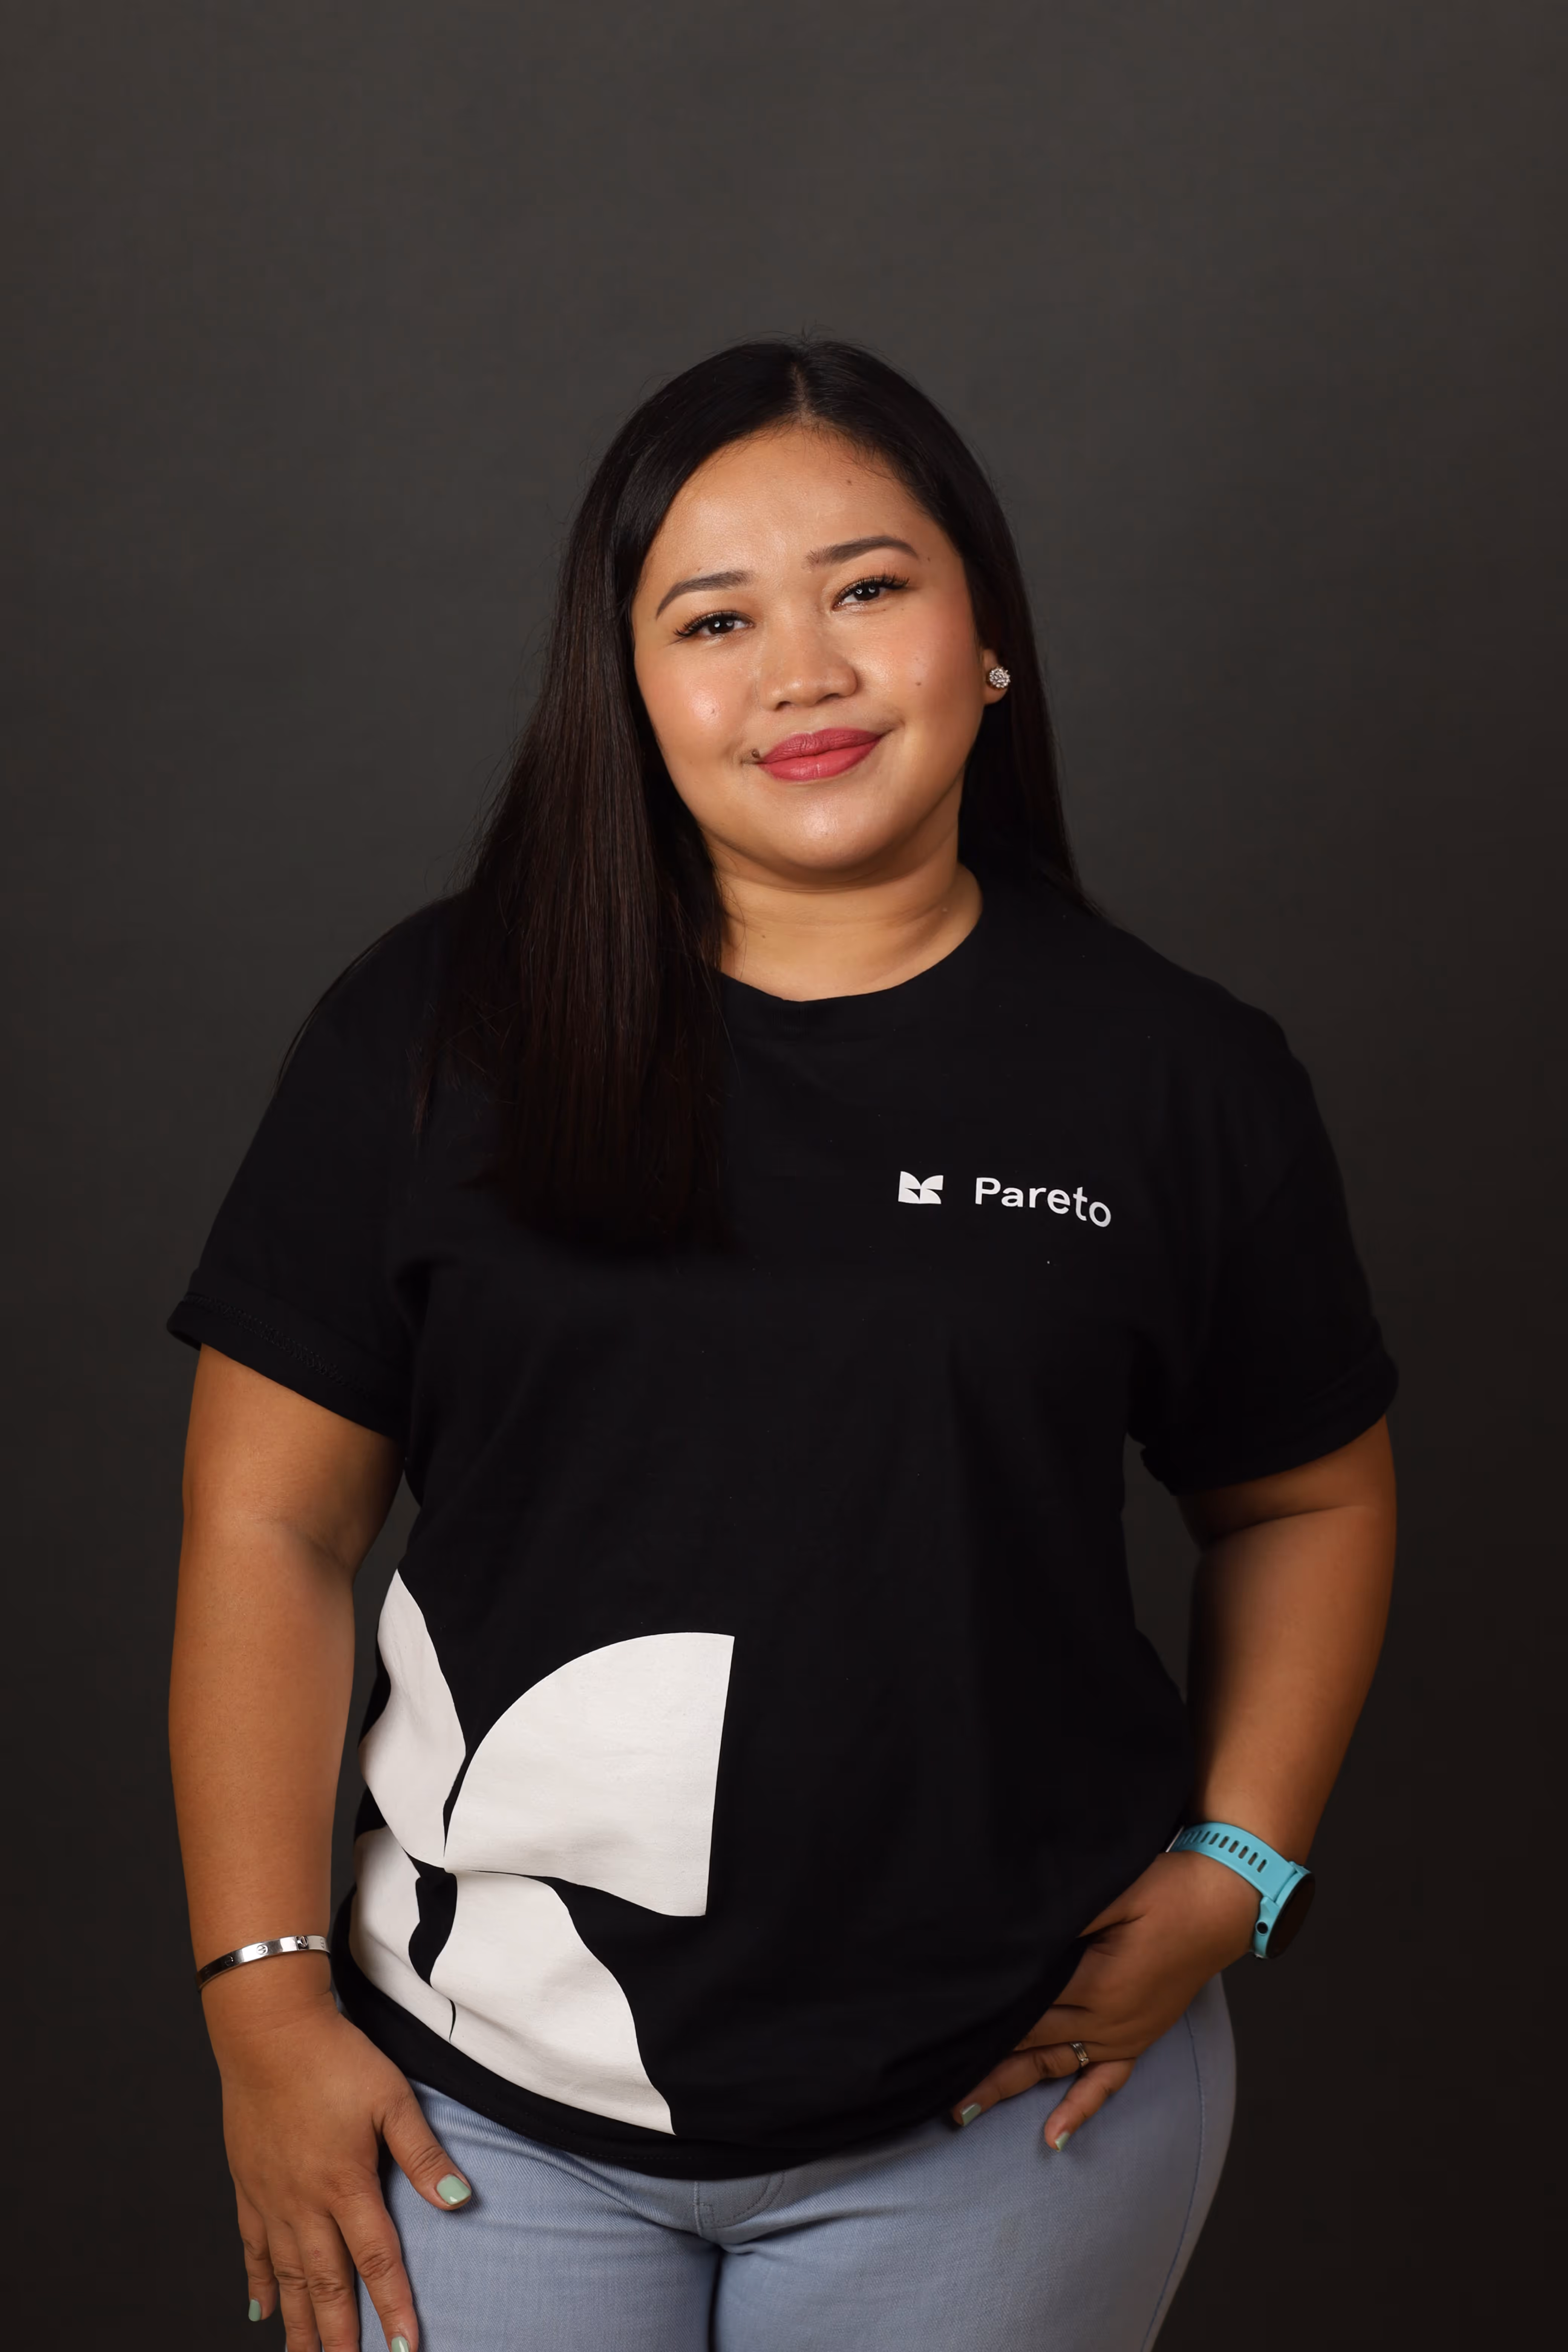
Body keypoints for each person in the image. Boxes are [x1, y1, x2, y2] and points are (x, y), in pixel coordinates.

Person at [168, 338, 1398, 2352]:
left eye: (870, 588)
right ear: (628, 687)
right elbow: (268, 1533)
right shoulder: (432, 1029)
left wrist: (1240, 1863)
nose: (802, 673)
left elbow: (1310, 1487)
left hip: (1008, 2115)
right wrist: (262, 1998)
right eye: (715, 619)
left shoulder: (1178, 1078)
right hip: (479, 2112)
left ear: (985, 633)